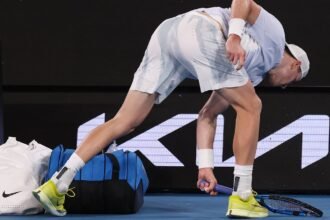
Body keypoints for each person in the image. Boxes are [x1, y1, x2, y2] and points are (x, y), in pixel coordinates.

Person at [32, 0, 310, 218]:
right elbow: (244, 2)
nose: (284, 86)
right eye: (292, 81)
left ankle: (57, 184)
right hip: (201, 29)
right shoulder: (275, 38)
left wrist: (205, 166)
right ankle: (244, 196)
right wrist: (234, 36)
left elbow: (207, 115)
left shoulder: (252, 73)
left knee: (126, 120)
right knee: (253, 106)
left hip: (168, 34)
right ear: (295, 65)